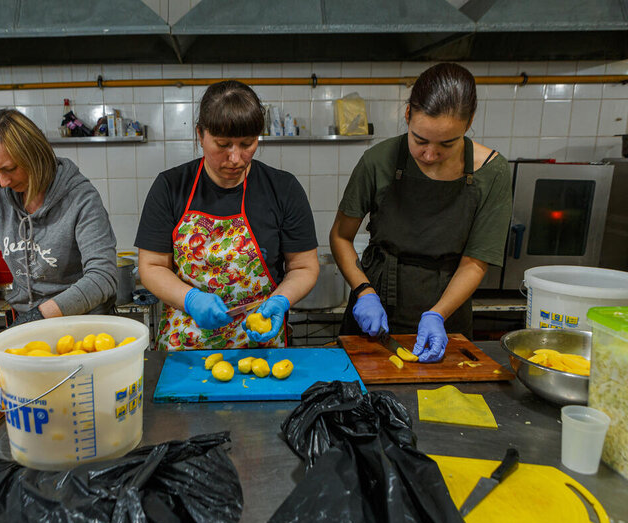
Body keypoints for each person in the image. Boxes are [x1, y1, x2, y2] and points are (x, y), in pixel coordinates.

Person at [330, 63, 512, 362]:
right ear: (407, 116)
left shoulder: (492, 173)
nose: (429, 155)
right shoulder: (378, 161)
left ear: (469, 124)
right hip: (378, 300)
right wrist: (364, 291)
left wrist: (438, 315)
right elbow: (340, 235)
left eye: (447, 144)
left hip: (448, 308)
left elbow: (475, 262)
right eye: (420, 140)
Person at [135, 80, 319, 350]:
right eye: (223, 144)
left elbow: (303, 267)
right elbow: (151, 266)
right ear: (200, 134)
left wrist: (282, 299)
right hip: (185, 346)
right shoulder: (170, 187)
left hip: (260, 347)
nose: (235, 158)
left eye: (247, 143)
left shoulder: (283, 189)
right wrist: (190, 299)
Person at [0, 109, 117, 328]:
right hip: (27, 323)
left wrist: (40, 315)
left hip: (83, 328)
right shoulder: (1, 200)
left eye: (9, 169)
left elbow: (102, 278)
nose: (2, 182)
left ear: (35, 154)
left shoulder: (81, 199)